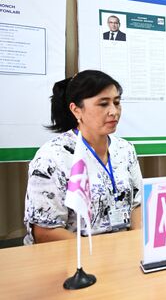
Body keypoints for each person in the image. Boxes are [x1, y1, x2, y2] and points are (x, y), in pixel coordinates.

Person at [23, 70, 142, 244]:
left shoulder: (125, 149)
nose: (114, 111)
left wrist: (135, 242)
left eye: (117, 103)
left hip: (121, 252)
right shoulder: (52, 157)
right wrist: (94, 252)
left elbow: (136, 205)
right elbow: (44, 231)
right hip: (74, 258)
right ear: (76, 110)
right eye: (103, 104)